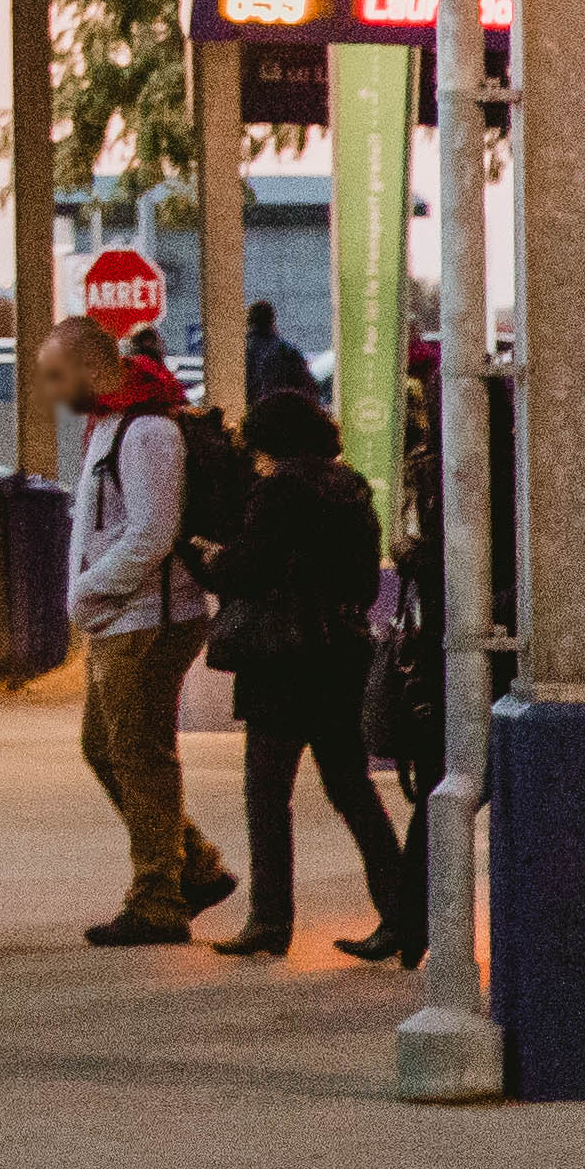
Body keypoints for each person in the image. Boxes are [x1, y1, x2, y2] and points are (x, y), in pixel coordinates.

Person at [208, 381, 415, 963]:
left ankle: (270, 920)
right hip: (340, 654)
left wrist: (211, 557)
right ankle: (398, 913)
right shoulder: (351, 489)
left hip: (282, 661)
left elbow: (249, 569)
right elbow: (366, 583)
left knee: (267, 794)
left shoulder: (279, 492)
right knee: (352, 789)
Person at [62, 323, 236, 947]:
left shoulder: (150, 431)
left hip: (150, 620)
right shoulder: (109, 425)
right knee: (106, 749)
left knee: (141, 757)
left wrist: (88, 591)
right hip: (120, 618)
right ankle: (195, 864)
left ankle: (157, 898)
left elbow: (152, 533)